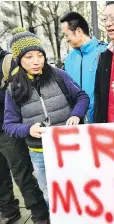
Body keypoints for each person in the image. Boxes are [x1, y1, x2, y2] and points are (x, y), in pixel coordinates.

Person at [3, 28, 89, 208]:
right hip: (39, 154)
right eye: (29, 57)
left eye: (39, 55)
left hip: (69, 147)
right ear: (19, 60)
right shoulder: (14, 89)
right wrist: (28, 129)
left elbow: (82, 97)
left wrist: (76, 114)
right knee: (52, 197)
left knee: (78, 189)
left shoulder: (59, 75)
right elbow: (9, 125)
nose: (36, 61)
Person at [0, 47, 49, 224]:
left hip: (8, 131)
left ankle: (39, 214)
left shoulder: (8, 61)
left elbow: (19, 93)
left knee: (23, 175)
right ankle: (8, 209)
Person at [61, 12, 107, 123]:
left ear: (79, 31)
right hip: (76, 122)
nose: (66, 39)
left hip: (101, 122)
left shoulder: (104, 52)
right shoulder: (69, 59)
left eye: (67, 35)